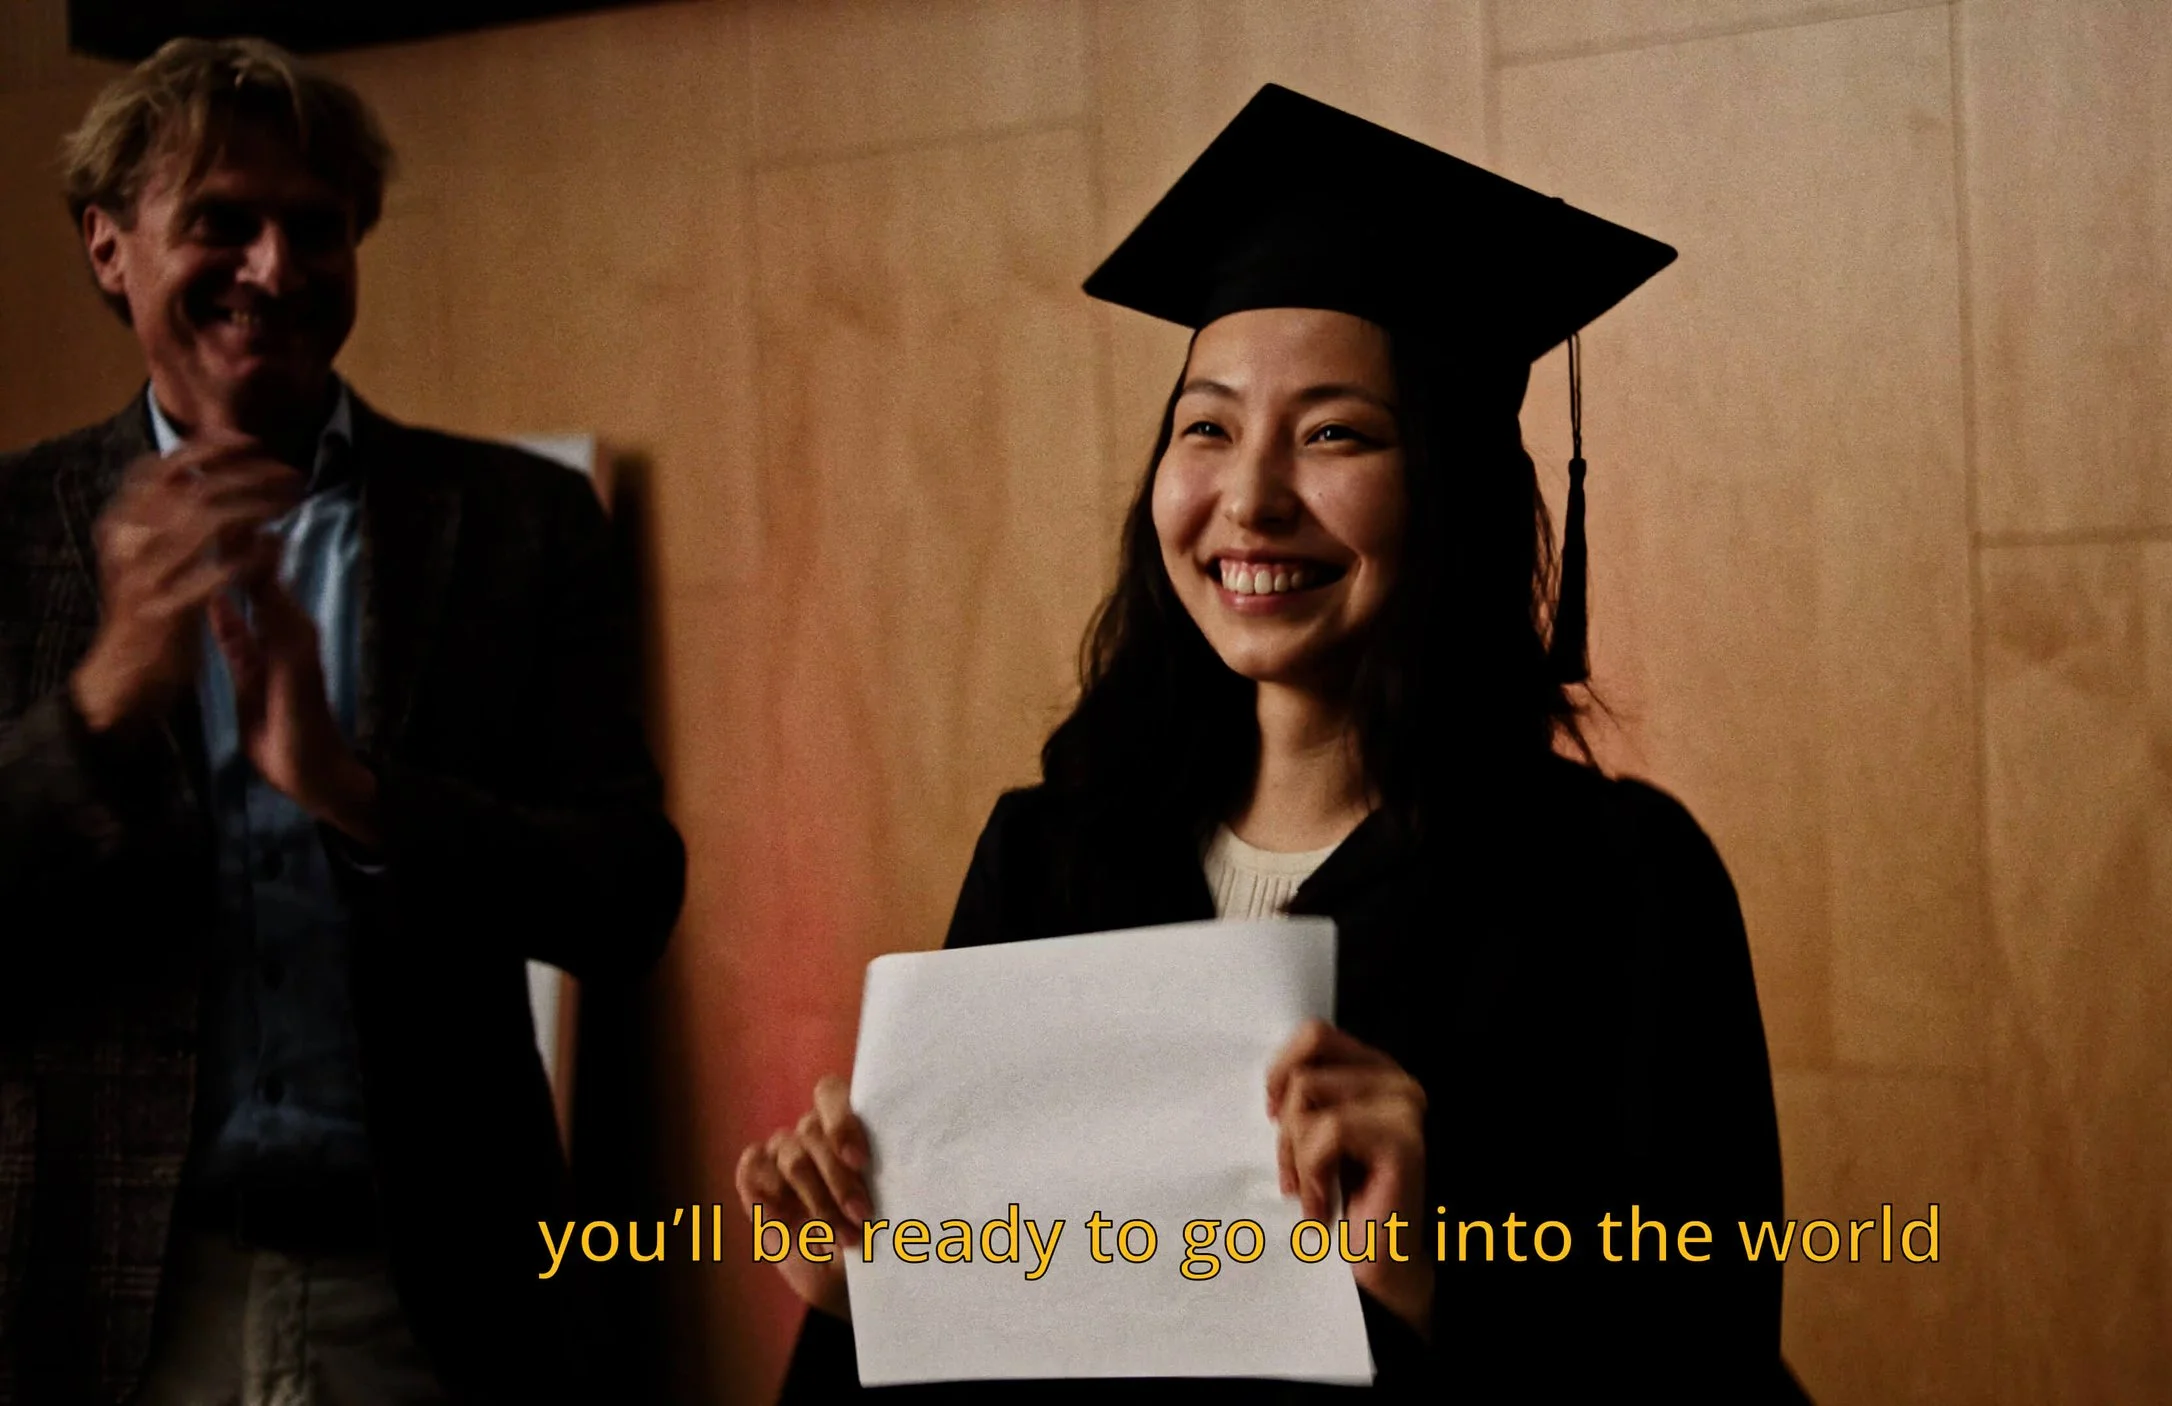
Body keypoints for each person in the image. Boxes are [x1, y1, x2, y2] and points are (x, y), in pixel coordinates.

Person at [741, 86, 1794, 1398]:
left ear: (1449, 484)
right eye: (1208, 425)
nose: (1250, 496)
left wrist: (1434, 1275)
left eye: (1334, 431)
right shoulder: (1052, 855)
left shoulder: (1617, 884)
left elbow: (1713, 1363)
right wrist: (869, 1289)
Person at [0, 37, 685, 1405]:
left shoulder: (514, 526)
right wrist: (105, 698)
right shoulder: (7, 534)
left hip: (441, 1298)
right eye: (219, 222)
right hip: (95, 1306)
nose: (274, 267)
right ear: (108, 247)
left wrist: (354, 788)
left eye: (316, 227)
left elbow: (628, 895)